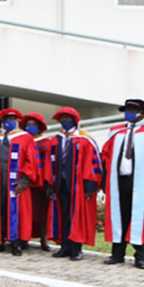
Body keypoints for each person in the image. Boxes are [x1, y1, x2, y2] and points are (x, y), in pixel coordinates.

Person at [101, 99, 144, 269]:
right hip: (118, 182)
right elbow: (106, 159)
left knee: (140, 219)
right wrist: (104, 183)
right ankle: (117, 254)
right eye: (126, 109)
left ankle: (140, 257)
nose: (128, 113)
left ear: (143, 113)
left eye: (132, 110)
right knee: (119, 217)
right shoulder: (116, 132)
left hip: (142, 183)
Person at [0, 109, 38, 256]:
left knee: (17, 212)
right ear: (1, 121)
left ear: (17, 121)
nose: (9, 121)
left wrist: (24, 181)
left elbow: (32, 161)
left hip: (17, 185)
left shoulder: (26, 138)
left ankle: (16, 243)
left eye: (12, 118)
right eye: (6, 118)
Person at [46, 107, 102, 261]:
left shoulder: (85, 139)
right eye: (62, 119)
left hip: (79, 185)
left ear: (75, 120)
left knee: (76, 216)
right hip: (60, 184)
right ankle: (65, 247)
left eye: (67, 118)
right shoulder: (56, 139)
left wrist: (90, 185)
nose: (64, 121)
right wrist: (49, 184)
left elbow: (93, 163)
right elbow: (48, 164)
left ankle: (76, 249)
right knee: (62, 215)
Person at [22, 112, 54, 253]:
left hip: (40, 183)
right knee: (25, 212)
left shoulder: (46, 141)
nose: (30, 127)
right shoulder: (20, 139)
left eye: (34, 125)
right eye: (28, 124)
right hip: (24, 182)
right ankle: (23, 238)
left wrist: (48, 183)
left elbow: (49, 163)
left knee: (41, 213)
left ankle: (44, 240)